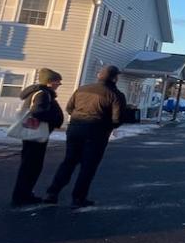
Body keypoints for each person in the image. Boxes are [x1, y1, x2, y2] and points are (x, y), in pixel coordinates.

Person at [44, 64, 126, 209]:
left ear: (99, 76)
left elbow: (69, 108)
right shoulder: (115, 95)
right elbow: (117, 119)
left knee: (69, 161)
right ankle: (78, 197)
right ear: (114, 78)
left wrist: (78, 118)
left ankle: (52, 192)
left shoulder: (82, 89)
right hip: (97, 133)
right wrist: (108, 125)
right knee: (88, 166)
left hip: (75, 129)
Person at [10, 68, 65, 207]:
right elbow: (38, 112)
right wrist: (54, 120)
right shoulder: (42, 94)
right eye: (57, 81)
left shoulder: (40, 92)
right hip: (35, 135)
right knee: (31, 166)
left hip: (32, 134)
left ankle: (24, 194)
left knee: (29, 165)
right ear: (49, 82)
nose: (59, 84)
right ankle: (22, 196)